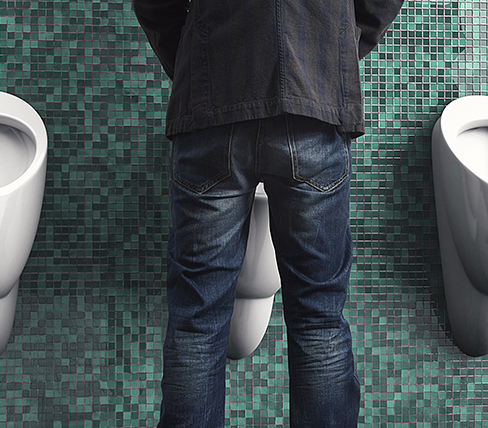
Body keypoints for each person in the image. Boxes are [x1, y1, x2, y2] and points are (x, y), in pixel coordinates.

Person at [132, 0, 404, 426]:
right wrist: (332, 54)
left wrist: (193, 58)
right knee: (319, 322)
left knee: (196, 328)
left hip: (213, 97)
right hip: (314, 99)